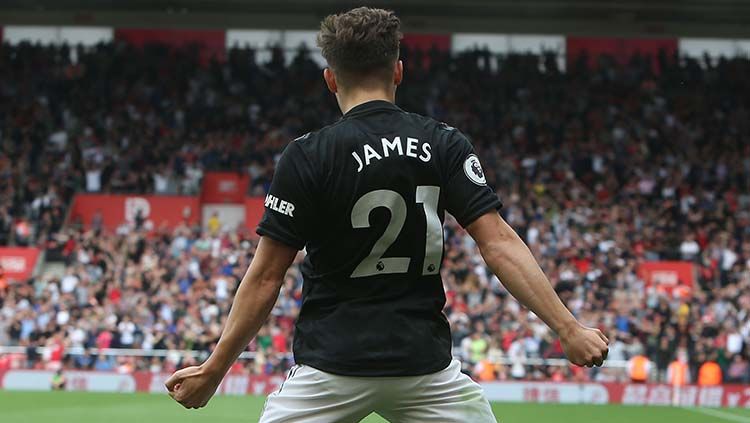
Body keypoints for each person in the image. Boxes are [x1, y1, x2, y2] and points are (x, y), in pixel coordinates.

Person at [165, 7, 609, 422]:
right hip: (426, 369)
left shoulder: (307, 156)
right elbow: (498, 243)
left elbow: (265, 277)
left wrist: (214, 369)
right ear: (398, 71)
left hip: (329, 368)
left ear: (331, 80)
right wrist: (567, 328)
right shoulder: (444, 143)